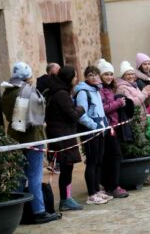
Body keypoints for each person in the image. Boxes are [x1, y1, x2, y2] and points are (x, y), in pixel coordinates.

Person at [0, 62, 61, 224]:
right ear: (27, 77)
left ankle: (15, 212)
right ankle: (39, 210)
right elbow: (32, 118)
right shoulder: (25, 92)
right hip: (32, 137)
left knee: (19, 176)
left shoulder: (7, 92)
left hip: (15, 138)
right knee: (34, 175)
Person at [45, 66, 86, 211]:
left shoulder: (59, 91)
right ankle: (65, 199)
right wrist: (82, 108)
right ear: (69, 78)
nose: (76, 79)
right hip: (62, 136)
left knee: (68, 167)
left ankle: (67, 197)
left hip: (64, 134)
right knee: (66, 167)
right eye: (74, 76)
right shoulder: (61, 94)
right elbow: (72, 114)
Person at [74, 66, 113, 205]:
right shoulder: (83, 92)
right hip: (91, 131)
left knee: (99, 160)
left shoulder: (96, 90)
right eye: (91, 75)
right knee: (91, 161)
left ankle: (97, 189)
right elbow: (82, 115)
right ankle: (91, 193)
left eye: (96, 74)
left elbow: (100, 110)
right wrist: (94, 126)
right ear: (86, 77)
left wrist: (105, 125)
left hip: (100, 129)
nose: (94, 77)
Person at [97, 59, 129, 198]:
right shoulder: (100, 90)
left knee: (112, 156)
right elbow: (103, 109)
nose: (109, 77)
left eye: (111, 74)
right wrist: (118, 103)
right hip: (107, 127)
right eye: (106, 74)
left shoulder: (110, 88)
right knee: (114, 156)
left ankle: (109, 184)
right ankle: (113, 186)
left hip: (114, 126)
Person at [36, 62, 61, 174]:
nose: (60, 71)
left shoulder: (43, 82)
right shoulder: (49, 83)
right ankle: (54, 163)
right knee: (54, 140)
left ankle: (53, 163)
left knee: (53, 140)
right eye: (58, 69)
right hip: (48, 115)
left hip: (47, 116)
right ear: (51, 71)